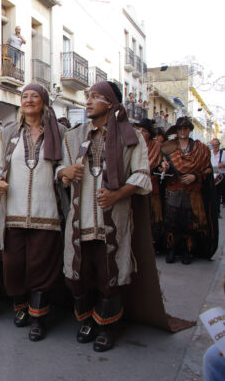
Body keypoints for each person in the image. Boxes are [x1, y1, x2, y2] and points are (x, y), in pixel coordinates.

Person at [57, 81, 151, 352]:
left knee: (110, 273)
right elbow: (61, 168)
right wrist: (65, 172)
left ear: (110, 103)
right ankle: (86, 320)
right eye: (87, 96)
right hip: (81, 217)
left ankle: (107, 325)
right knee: (79, 274)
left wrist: (117, 194)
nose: (88, 101)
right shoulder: (73, 136)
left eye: (94, 97)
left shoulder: (130, 136)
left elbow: (142, 173)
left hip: (112, 217)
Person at [0, 84, 66, 341]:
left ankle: (38, 317)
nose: (29, 100)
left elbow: (61, 168)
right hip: (14, 212)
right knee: (13, 265)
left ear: (44, 102)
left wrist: (64, 173)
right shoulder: (9, 132)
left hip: (46, 213)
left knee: (40, 266)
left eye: (35, 96)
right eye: (25, 96)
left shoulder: (60, 132)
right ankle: (20, 306)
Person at [161, 117, 214, 264]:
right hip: (174, 189)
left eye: (185, 128)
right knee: (171, 222)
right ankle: (171, 250)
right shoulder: (168, 147)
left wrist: (194, 176)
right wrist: (164, 166)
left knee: (190, 224)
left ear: (190, 129)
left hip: (192, 191)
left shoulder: (201, 149)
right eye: (180, 128)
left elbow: (208, 169)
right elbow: (161, 165)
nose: (183, 131)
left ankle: (187, 251)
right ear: (176, 130)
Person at [134, 119, 166, 252]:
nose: (140, 132)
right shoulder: (132, 144)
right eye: (139, 129)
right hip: (134, 187)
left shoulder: (156, 147)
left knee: (152, 217)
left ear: (149, 134)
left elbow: (162, 162)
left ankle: (151, 244)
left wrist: (163, 166)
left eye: (144, 130)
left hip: (152, 188)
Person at [210, 138, 225, 218]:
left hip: (220, 177)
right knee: (210, 194)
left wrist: (223, 165)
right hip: (210, 176)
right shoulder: (209, 153)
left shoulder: (223, 153)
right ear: (211, 145)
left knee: (218, 195)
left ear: (219, 145)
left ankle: (217, 212)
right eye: (213, 144)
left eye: (216, 144)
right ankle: (211, 211)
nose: (215, 146)